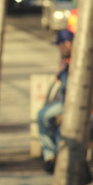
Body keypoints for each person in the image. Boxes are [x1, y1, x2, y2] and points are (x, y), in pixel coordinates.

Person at [37, 29, 73, 173]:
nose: (58, 48)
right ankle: (50, 156)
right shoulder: (66, 60)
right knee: (43, 115)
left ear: (67, 43)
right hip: (66, 103)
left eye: (60, 45)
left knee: (56, 125)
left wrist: (63, 70)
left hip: (73, 105)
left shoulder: (77, 59)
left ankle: (56, 159)